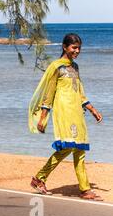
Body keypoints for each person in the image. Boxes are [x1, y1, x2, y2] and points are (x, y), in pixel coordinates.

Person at [29, 33, 103, 201]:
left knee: (80, 150)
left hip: (76, 112)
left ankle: (84, 189)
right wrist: (43, 117)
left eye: (79, 48)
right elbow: (49, 93)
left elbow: (80, 92)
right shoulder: (57, 67)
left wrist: (92, 109)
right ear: (64, 47)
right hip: (64, 112)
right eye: (73, 47)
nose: (76, 51)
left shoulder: (75, 67)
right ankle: (40, 177)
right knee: (67, 147)